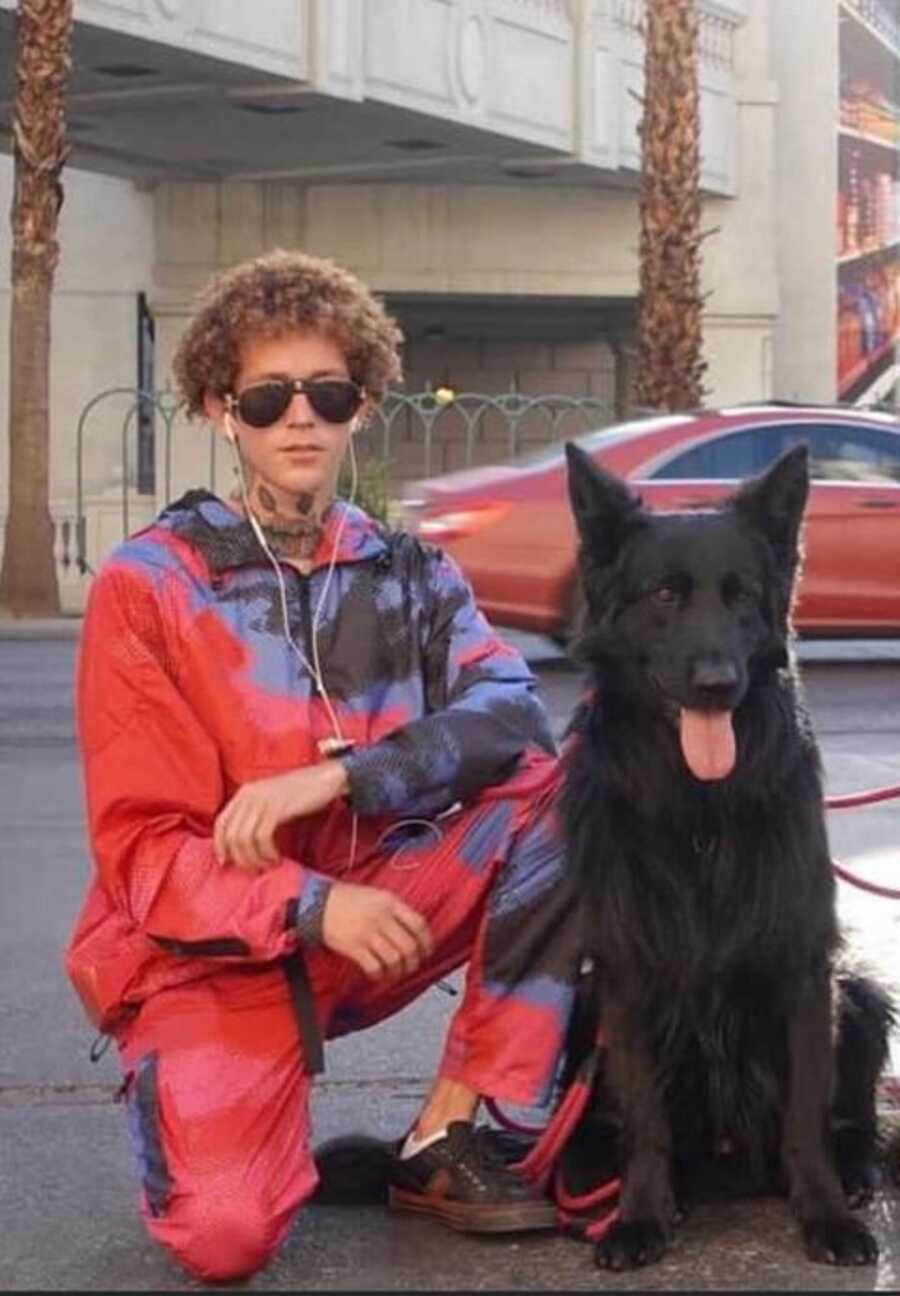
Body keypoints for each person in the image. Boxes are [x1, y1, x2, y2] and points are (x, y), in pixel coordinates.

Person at [65, 249, 581, 1283]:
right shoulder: (148, 588)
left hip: (379, 914)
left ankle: (445, 1130)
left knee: (573, 796)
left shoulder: (410, 571)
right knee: (225, 1240)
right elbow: (146, 853)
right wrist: (310, 905)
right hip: (209, 957)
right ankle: (212, 1108)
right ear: (221, 409)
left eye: (327, 391)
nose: (299, 417)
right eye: (268, 396)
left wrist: (349, 779)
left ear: (360, 405)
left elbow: (515, 713)